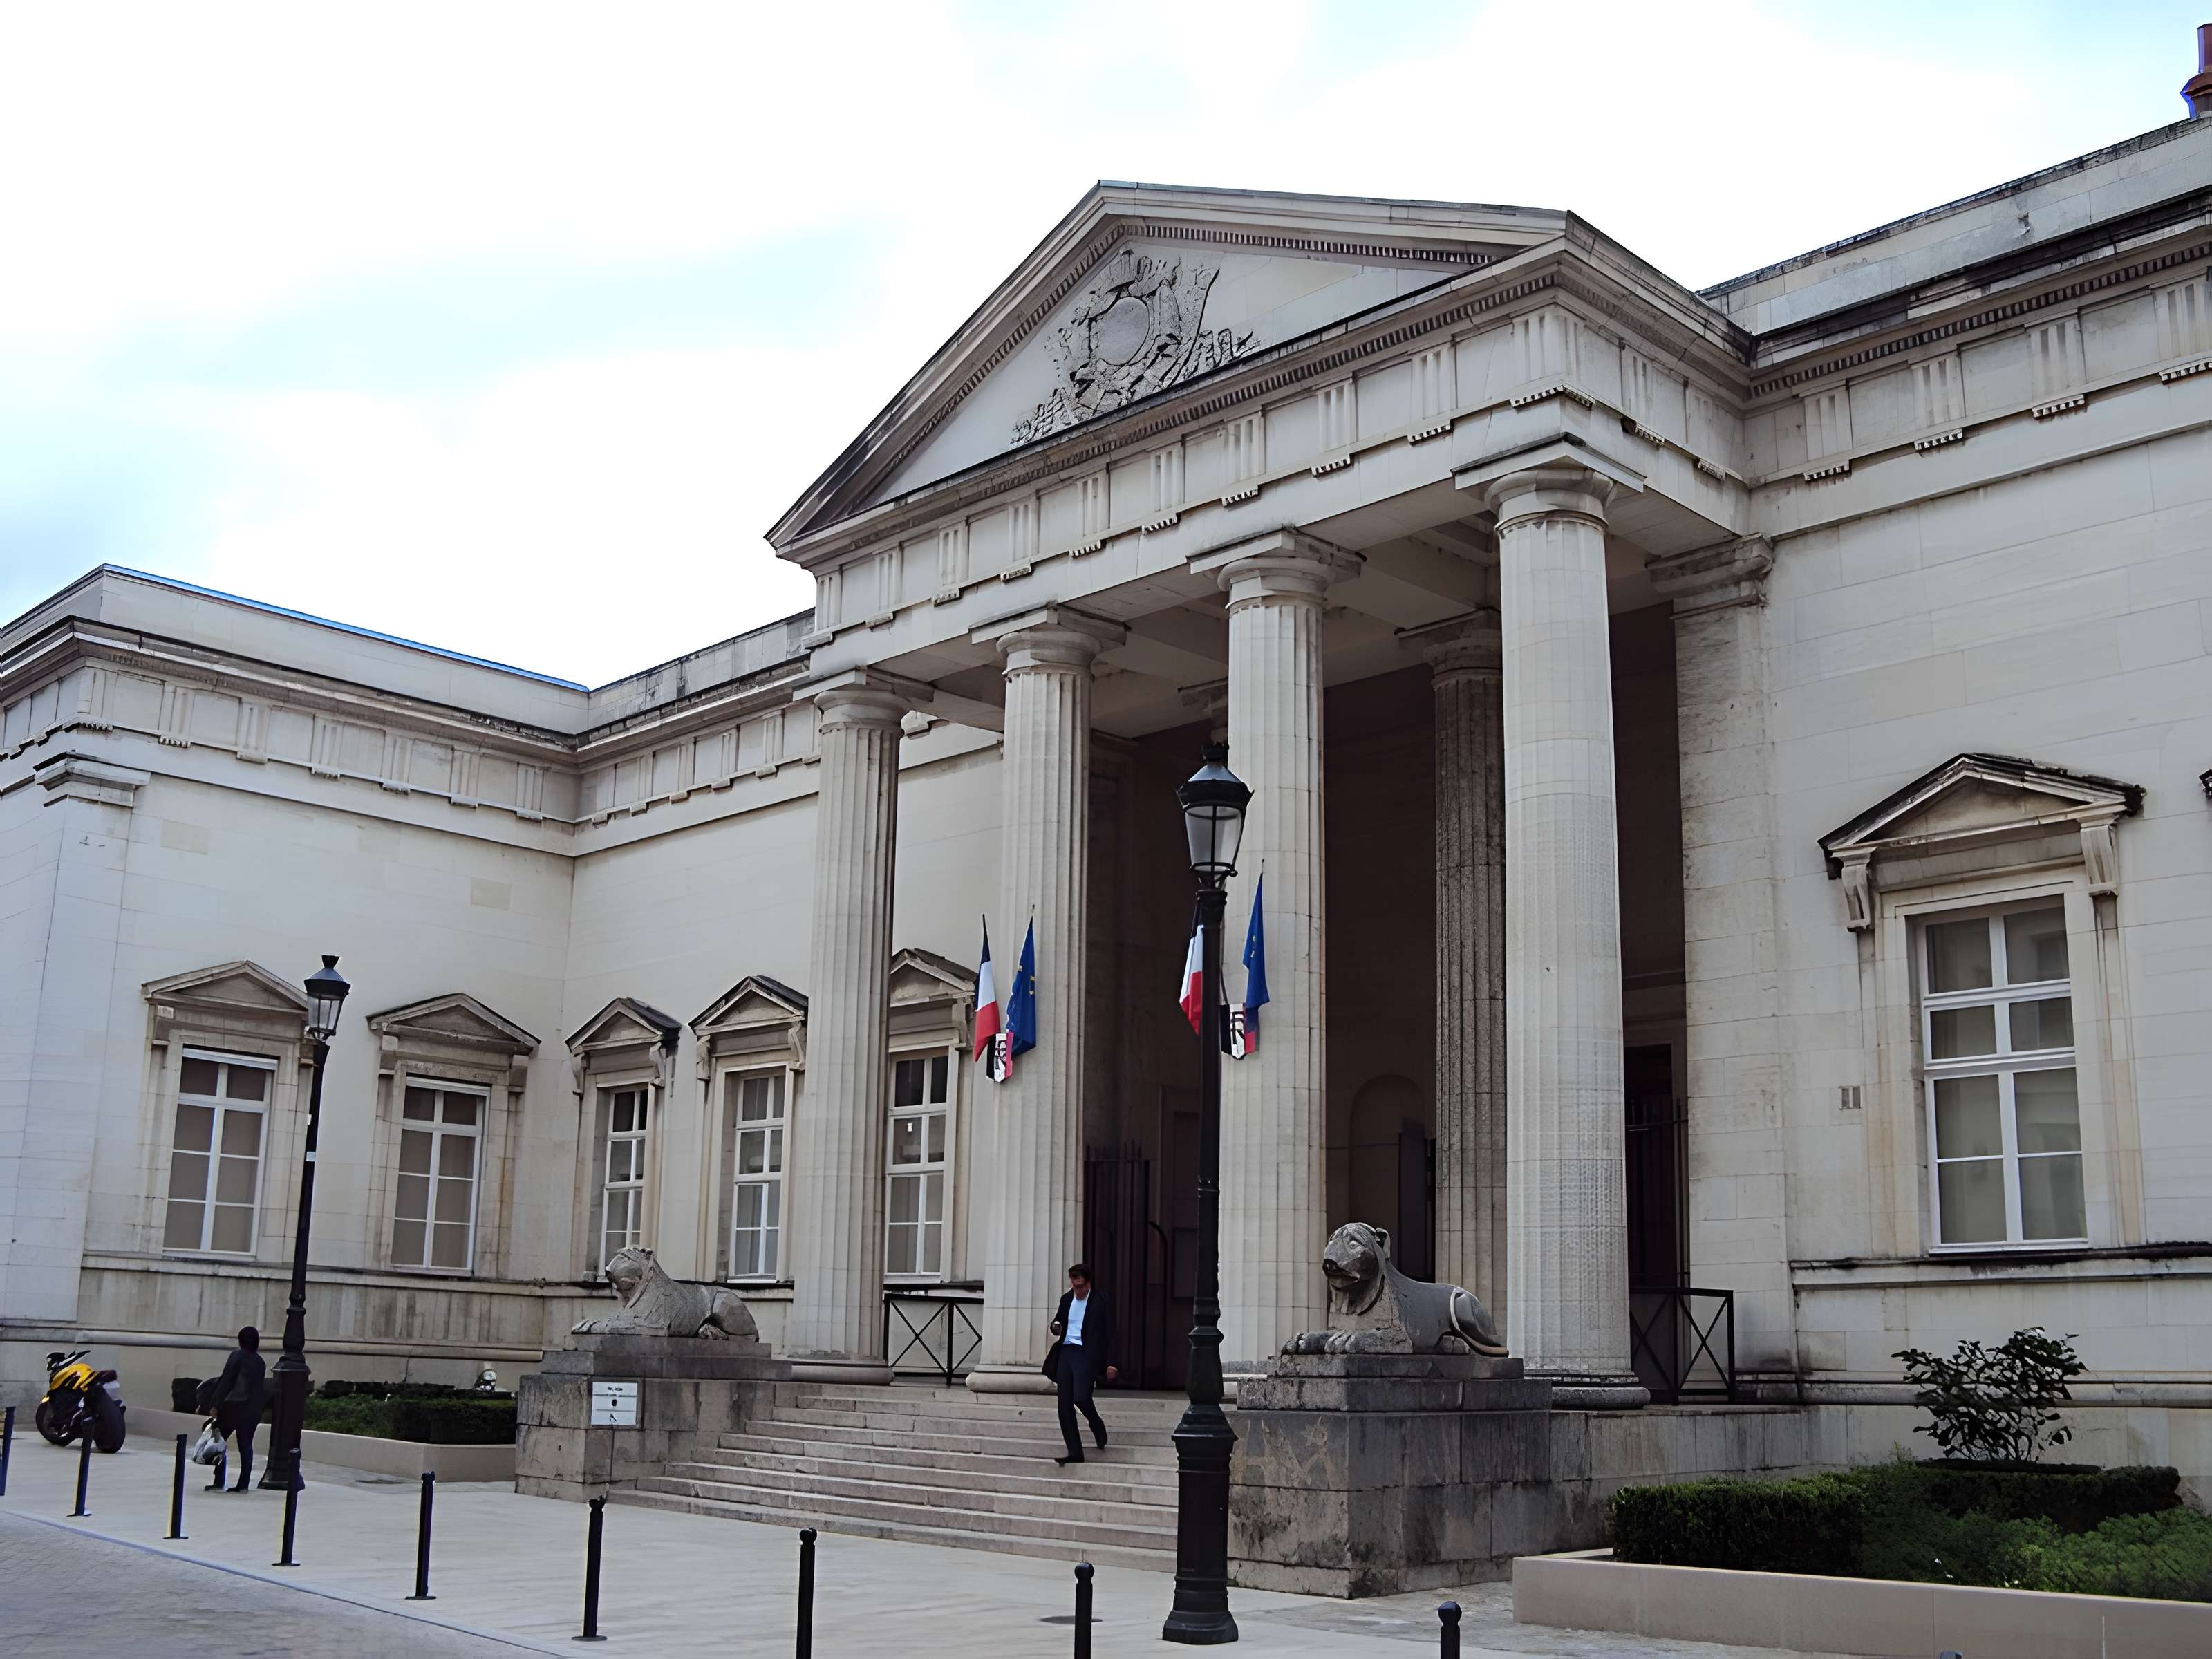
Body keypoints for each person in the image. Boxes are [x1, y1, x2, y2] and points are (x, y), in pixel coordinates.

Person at [1043, 1262, 1116, 1465]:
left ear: (1089, 1283)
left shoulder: (1101, 1301)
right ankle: (1075, 1452)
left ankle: (1097, 1424)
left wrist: (1111, 1363)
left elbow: (1111, 1334)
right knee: (1064, 1405)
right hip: (1066, 1351)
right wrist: (1055, 1327)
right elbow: (1058, 1323)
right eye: (1075, 1286)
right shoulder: (1066, 1299)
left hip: (1086, 1354)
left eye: (1082, 1286)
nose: (1078, 1290)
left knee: (1082, 1397)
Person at [207, 1326, 266, 1492]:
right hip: (252, 1410)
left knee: (219, 1443)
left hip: (233, 1407)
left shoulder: (236, 1356)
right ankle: (243, 1484)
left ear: (240, 1340)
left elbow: (226, 1382)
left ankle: (219, 1480)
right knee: (246, 1446)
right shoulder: (260, 1362)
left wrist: (215, 1404)